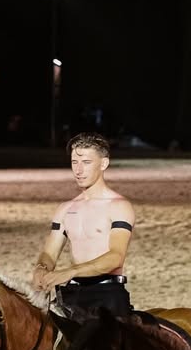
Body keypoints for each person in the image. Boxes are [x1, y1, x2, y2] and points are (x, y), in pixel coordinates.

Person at [32, 133, 135, 318]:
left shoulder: (119, 206)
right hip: (71, 295)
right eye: (74, 163)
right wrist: (41, 269)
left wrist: (70, 272)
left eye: (86, 162)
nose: (78, 170)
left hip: (107, 294)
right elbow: (49, 253)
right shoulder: (65, 209)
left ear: (103, 164)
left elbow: (115, 257)